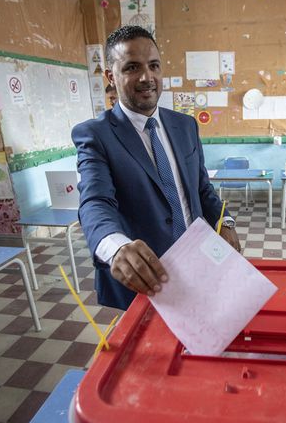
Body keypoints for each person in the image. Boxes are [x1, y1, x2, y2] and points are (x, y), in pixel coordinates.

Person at [72, 25, 241, 310]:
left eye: (153, 66)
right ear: (110, 76)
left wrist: (225, 221)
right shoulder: (95, 135)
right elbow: (95, 202)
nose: (146, 77)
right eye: (131, 67)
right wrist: (116, 247)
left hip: (198, 263)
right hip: (144, 278)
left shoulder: (185, 126)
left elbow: (201, 189)